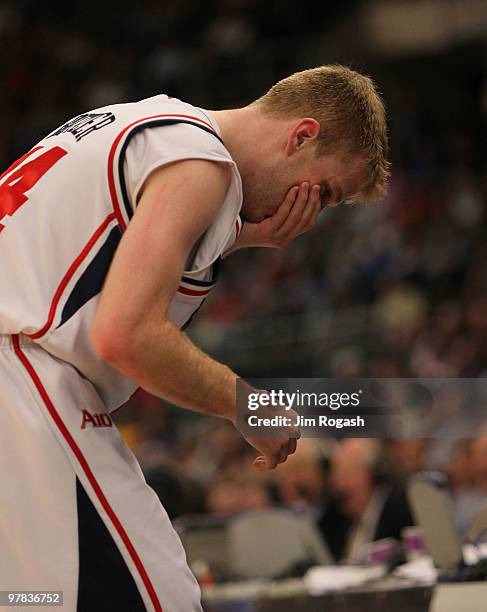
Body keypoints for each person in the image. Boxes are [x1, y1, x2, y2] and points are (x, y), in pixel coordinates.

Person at [0, 65, 388, 611]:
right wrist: (246, 405)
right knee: (163, 597)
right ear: (301, 136)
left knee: (33, 600)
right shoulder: (201, 166)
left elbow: (98, 259)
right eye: (323, 192)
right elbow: (125, 334)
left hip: (18, 368)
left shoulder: (152, 121)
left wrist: (237, 236)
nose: (311, 212)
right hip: (22, 373)